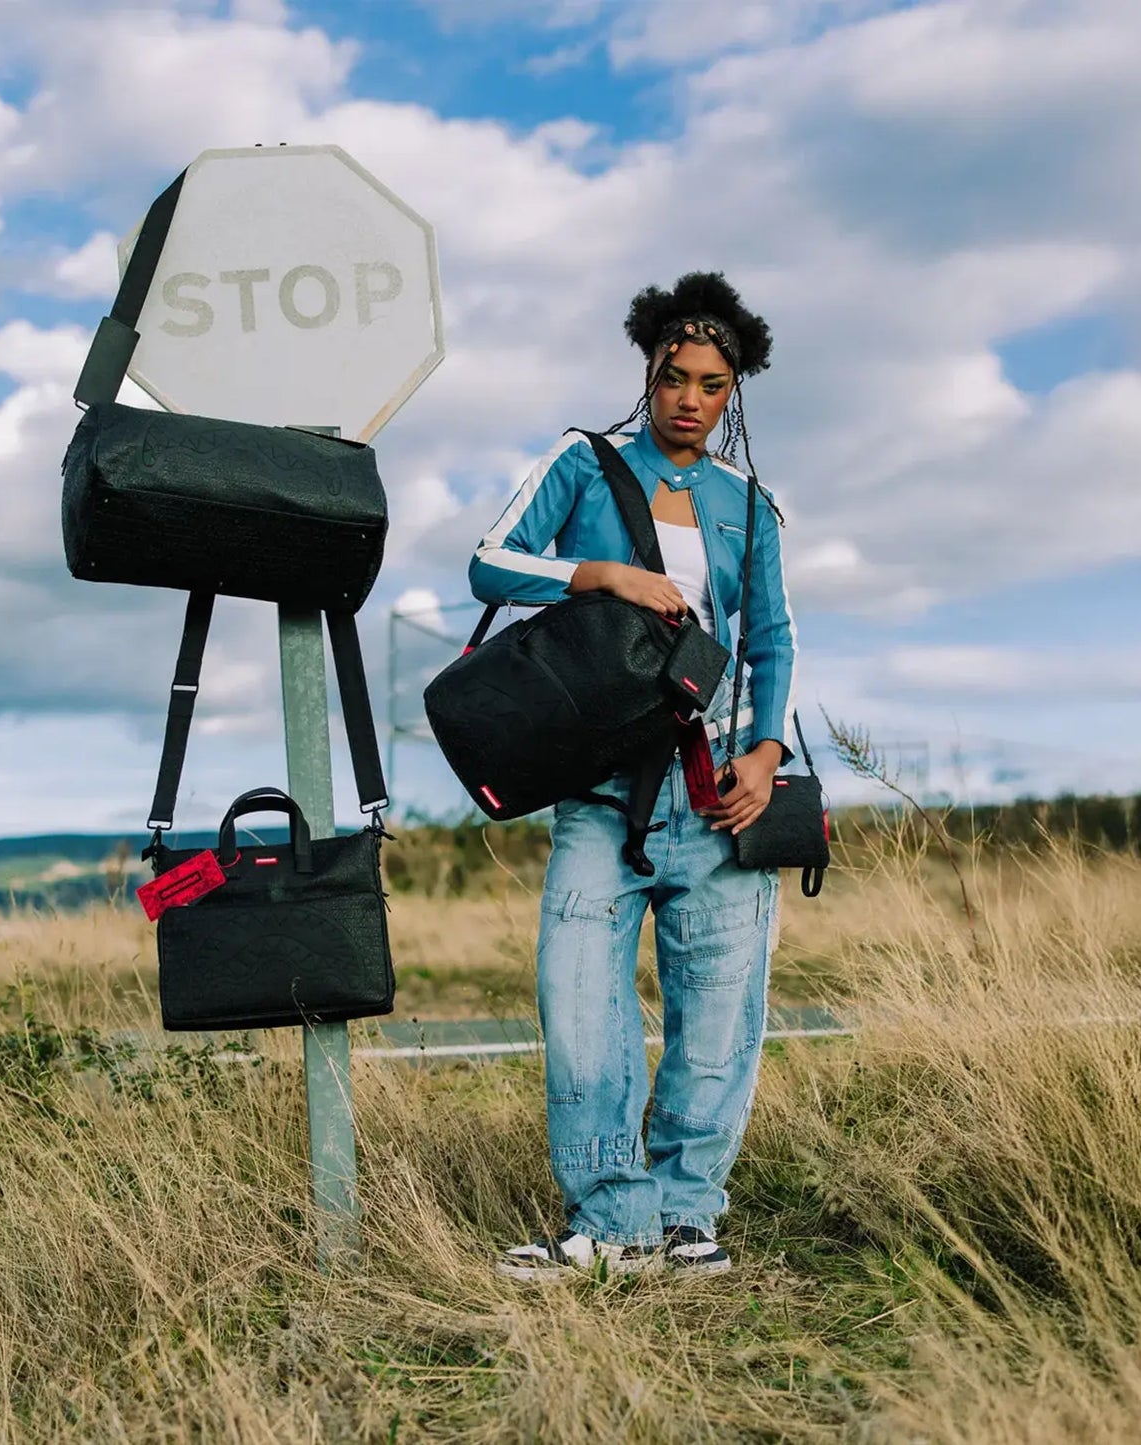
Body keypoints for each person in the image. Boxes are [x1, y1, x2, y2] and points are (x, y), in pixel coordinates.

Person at [467, 272, 797, 1280]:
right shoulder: (584, 463)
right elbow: (488, 562)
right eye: (673, 376)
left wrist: (765, 751)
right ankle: (609, 1220)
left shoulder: (748, 504)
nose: (690, 397)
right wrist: (601, 574)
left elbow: (771, 640)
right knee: (576, 1005)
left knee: (717, 1017)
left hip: (717, 796)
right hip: (601, 792)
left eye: (710, 382)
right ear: (646, 375)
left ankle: (686, 1217)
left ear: (731, 391)